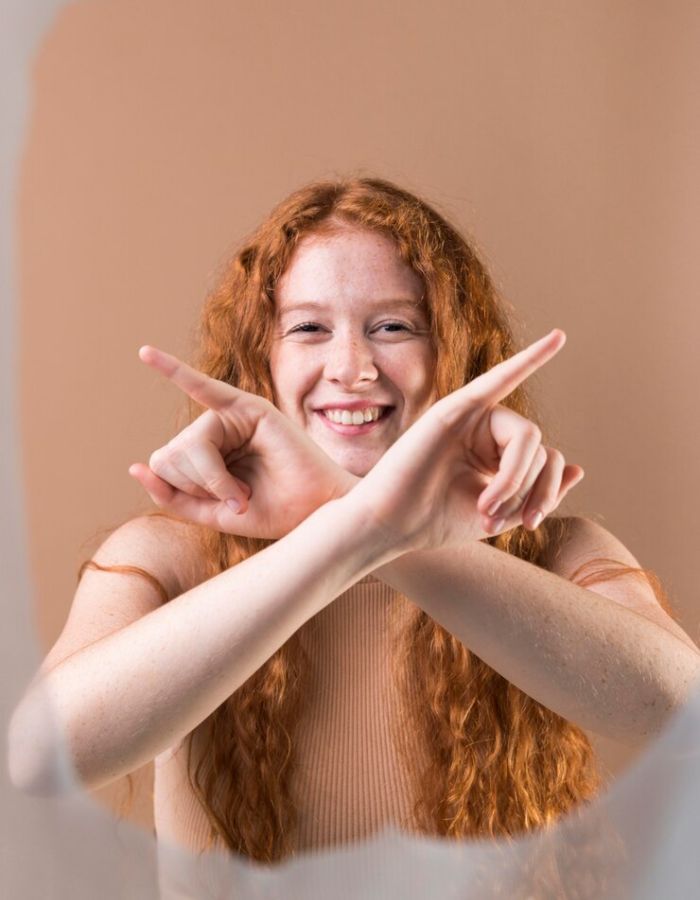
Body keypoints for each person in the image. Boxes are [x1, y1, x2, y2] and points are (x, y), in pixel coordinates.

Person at [9, 177, 700, 866]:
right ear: (262, 362)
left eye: (393, 327)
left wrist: (373, 528)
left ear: (451, 356)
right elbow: (41, 755)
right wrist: (352, 526)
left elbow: (680, 709)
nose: (352, 368)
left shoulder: (554, 548)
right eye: (309, 329)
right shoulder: (170, 556)